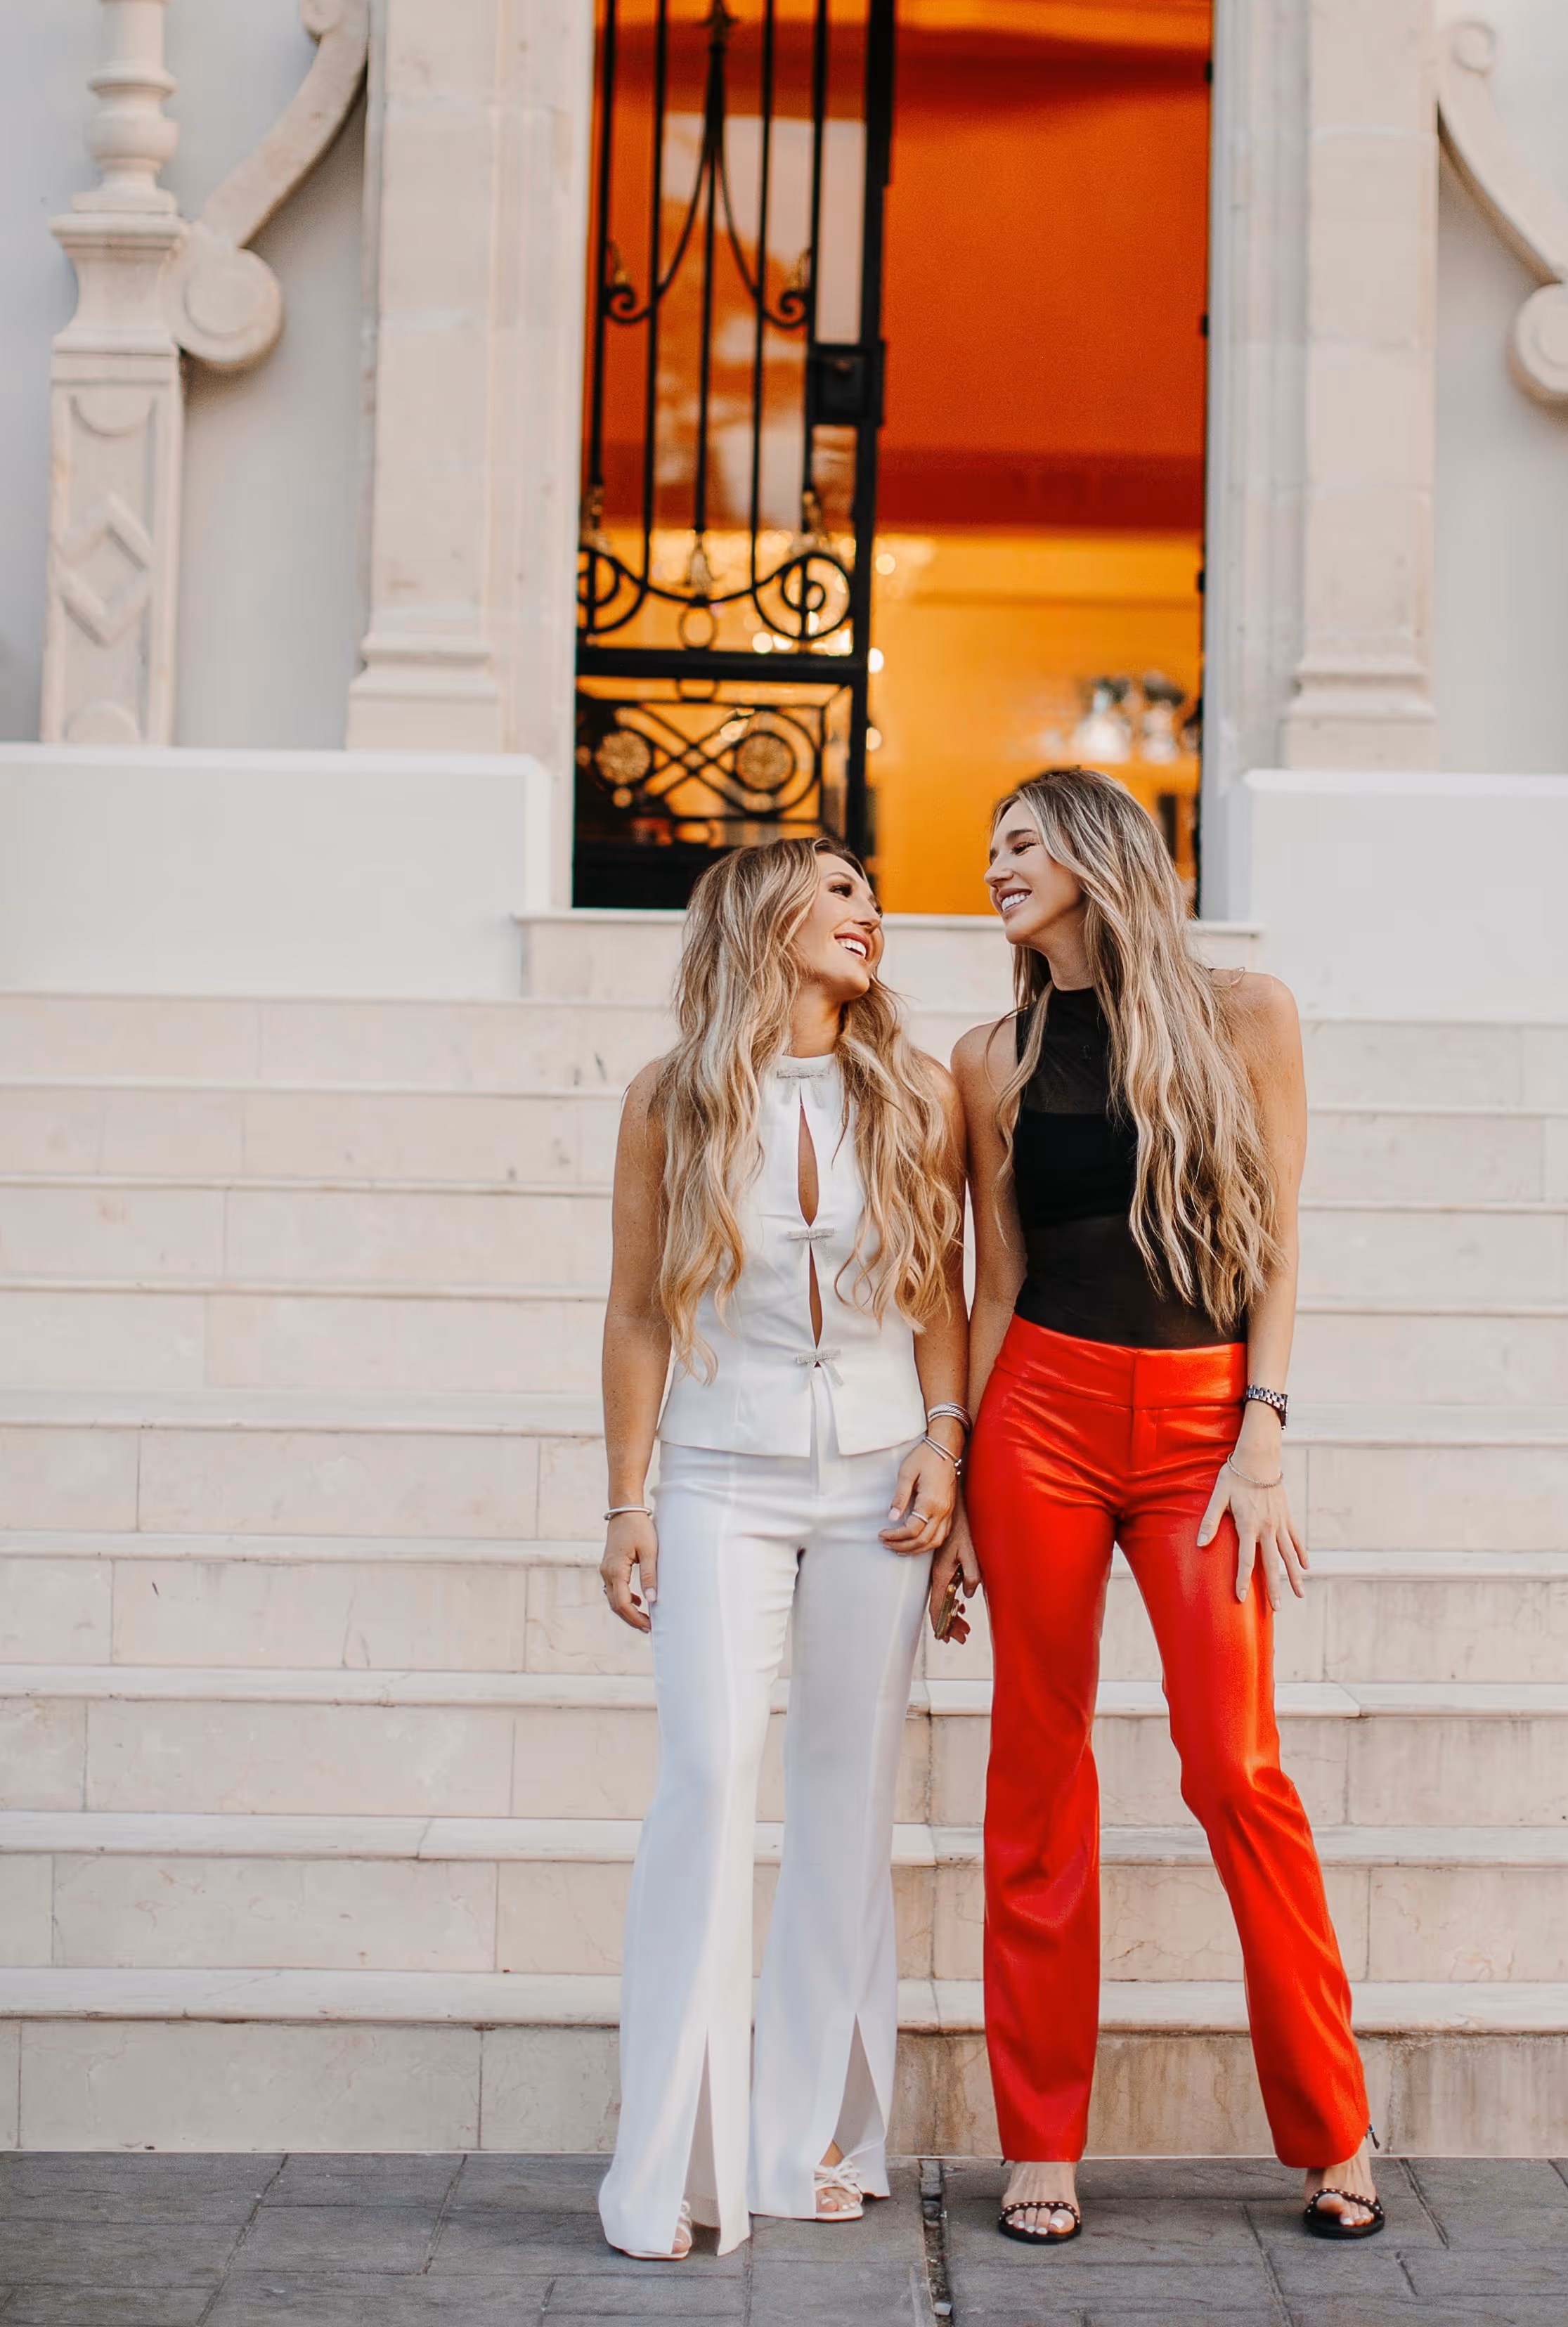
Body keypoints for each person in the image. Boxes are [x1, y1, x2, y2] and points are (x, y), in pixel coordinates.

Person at [937, 768, 1379, 2245]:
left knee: (1235, 1764)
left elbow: (1279, 1237)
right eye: (991, 846)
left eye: (1021, 841)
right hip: (1040, 1417)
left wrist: (1264, 1432)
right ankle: (1040, 2140)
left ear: (1097, 851)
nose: (996, 865)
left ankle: (1332, 2130)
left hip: (1204, 1427)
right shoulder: (988, 1058)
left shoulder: (1245, 1014)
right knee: (1035, 1769)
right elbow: (994, 1279)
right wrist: (957, 1478)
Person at [595, 836, 968, 2261]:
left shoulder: (916, 1090)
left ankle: (804, 2135)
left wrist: (944, 1444)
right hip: (718, 1474)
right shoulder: (670, 1097)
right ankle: (669, 2166)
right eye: (840, 888)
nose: (869, 910)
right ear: (763, 916)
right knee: (706, 1776)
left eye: (871, 893)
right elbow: (637, 1308)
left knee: (842, 1803)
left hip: (880, 1481)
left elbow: (940, 1291)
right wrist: (625, 1498)